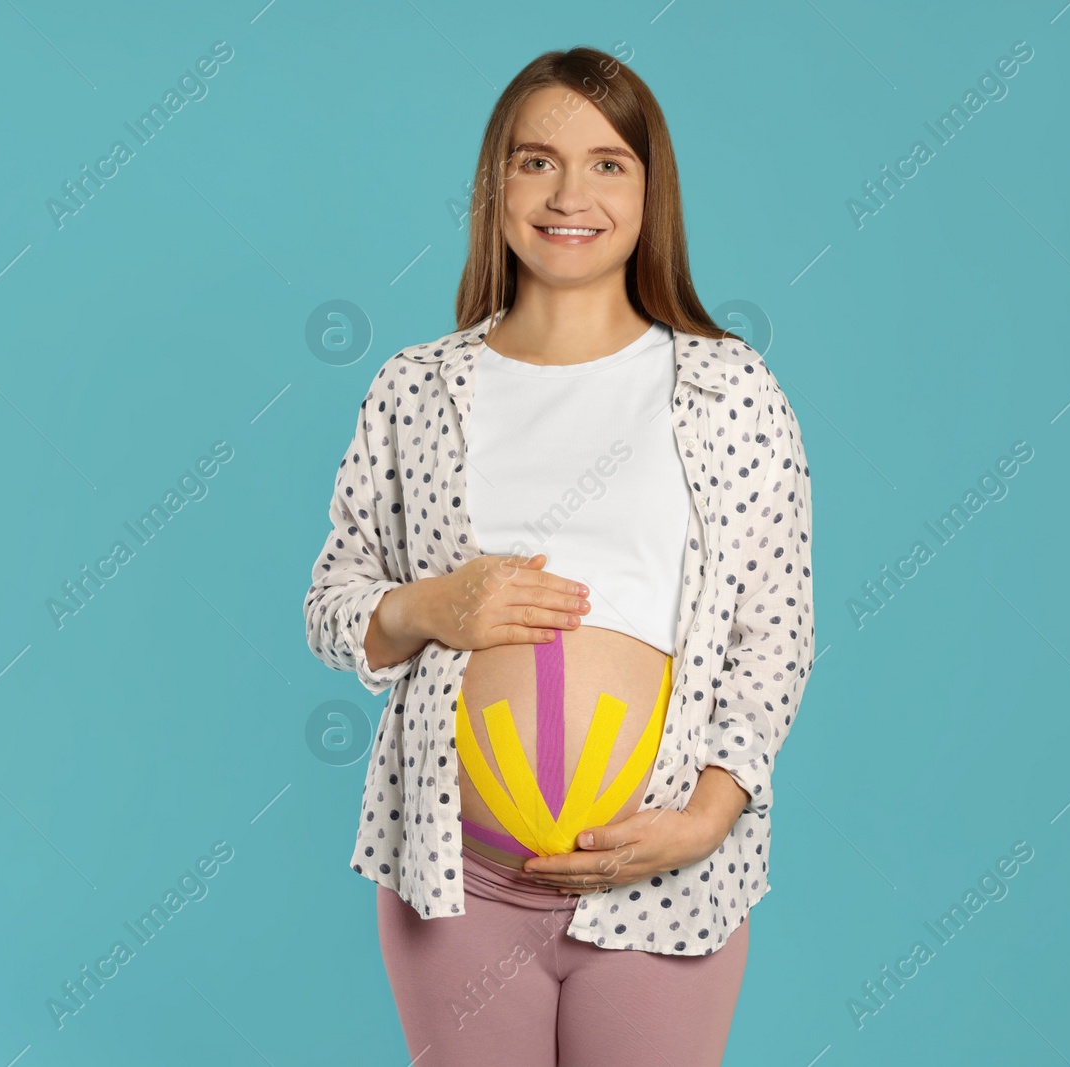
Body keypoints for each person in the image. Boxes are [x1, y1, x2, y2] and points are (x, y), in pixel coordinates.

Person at [302, 45, 814, 1067]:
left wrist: (710, 813)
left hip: (661, 878)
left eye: (607, 163)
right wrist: (430, 607)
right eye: (536, 161)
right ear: (495, 186)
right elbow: (332, 602)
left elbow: (776, 629)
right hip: (459, 878)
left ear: (648, 189)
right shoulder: (418, 388)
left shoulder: (727, 389)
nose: (568, 192)